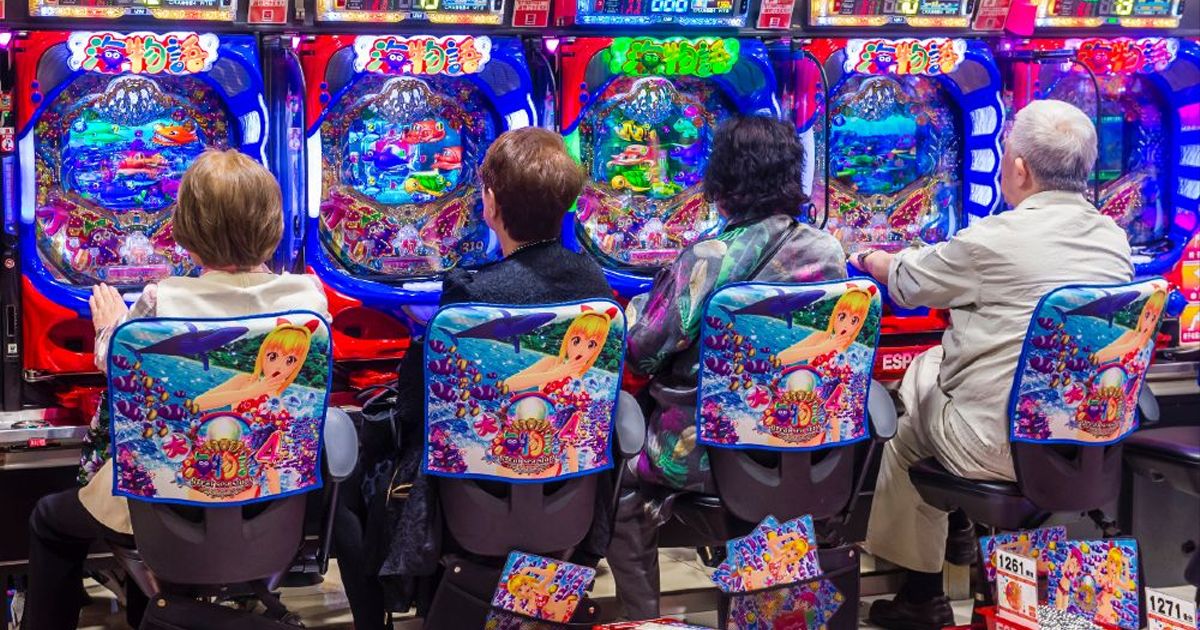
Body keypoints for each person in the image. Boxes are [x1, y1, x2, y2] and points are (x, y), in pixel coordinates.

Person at [851, 100, 1132, 629]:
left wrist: (867, 254)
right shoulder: (1115, 240)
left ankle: (922, 590)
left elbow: (909, 282)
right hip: (1089, 438)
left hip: (998, 447)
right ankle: (980, 564)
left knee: (915, 392)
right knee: (939, 379)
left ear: (1020, 167)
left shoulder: (994, 240)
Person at [25, 149, 330, 630]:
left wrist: (108, 327)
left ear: (185, 228)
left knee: (48, 521)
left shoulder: (162, 299)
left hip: (169, 503)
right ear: (273, 222)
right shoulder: (309, 298)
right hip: (269, 502)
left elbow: (121, 368)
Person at [334, 127, 614, 630]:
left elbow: (414, 407)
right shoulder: (595, 286)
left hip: (470, 501)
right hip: (570, 492)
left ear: (490, 203)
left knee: (356, 473)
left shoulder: (470, 293)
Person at [607, 115, 848, 619]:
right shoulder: (829, 251)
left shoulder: (709, 259)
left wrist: (635, 310)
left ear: (721, 181)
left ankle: (644, 619)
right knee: (770, 489)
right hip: (803, 444)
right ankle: (773, 615)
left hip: (705, 455)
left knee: (619, 485)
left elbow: (643, 350)